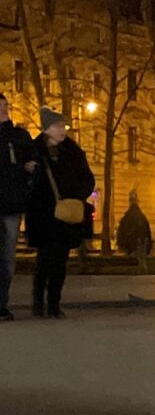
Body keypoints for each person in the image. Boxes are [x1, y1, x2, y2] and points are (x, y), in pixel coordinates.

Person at [25, 109, 95, 319]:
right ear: (47, 129)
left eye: (64, 126)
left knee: (61, 260)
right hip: (43, 214)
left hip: (66, 215)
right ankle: (38, 301)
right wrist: (30, 171)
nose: (63, 130)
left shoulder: (73, 151)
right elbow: (27, 184)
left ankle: (54, 303)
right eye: (58, 126)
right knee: (44, 259)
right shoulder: (34, 150)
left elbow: (88, 179)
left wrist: (77, 196)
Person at [0, 92, 37, 320]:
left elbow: (33, 160)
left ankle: (2, 303)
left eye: (5, 105)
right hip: (10, 202)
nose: (3, 109)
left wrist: (29, 167)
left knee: (7, 258)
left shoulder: (19, 136)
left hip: (11, 205)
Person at [117, 191, 155, 273]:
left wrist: (122, 242)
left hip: (133, 242)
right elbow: (147, 230)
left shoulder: (127, 217)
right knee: (141, 258)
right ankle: (142, 270)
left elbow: (122, 230)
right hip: (141, 241)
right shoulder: (142, 217)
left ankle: (137, 270)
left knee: (134, 259)